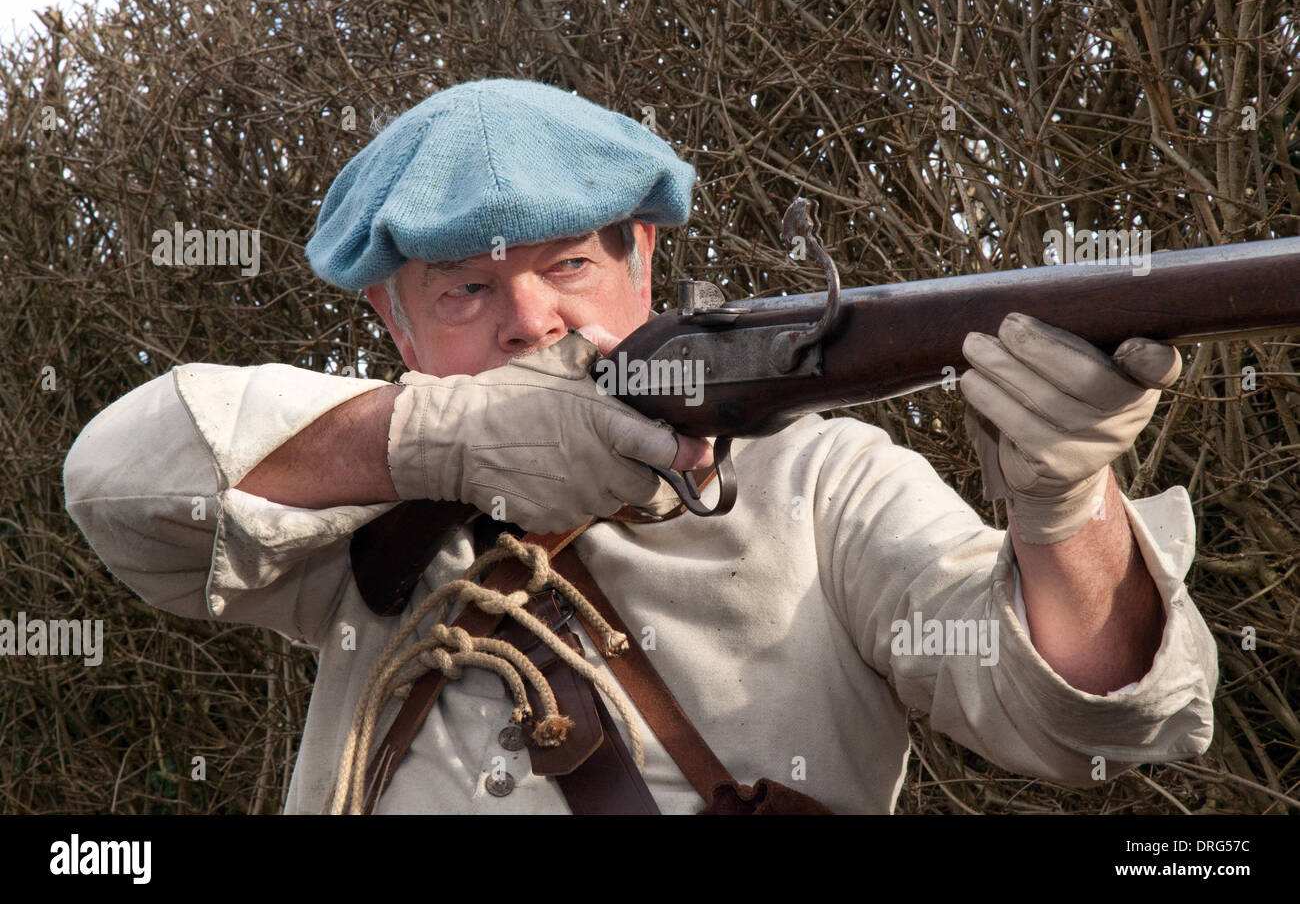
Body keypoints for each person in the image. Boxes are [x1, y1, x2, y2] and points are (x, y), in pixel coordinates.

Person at [63, 78, 1216, 814]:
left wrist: (1064, 506)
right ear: (395, 323)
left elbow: (1093, 722)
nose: (533, 320)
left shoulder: (827, 480)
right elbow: (116, 485)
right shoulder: (362, 510)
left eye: (569, 266)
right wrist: (433, 436)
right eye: (466, 290)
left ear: (644, 263)